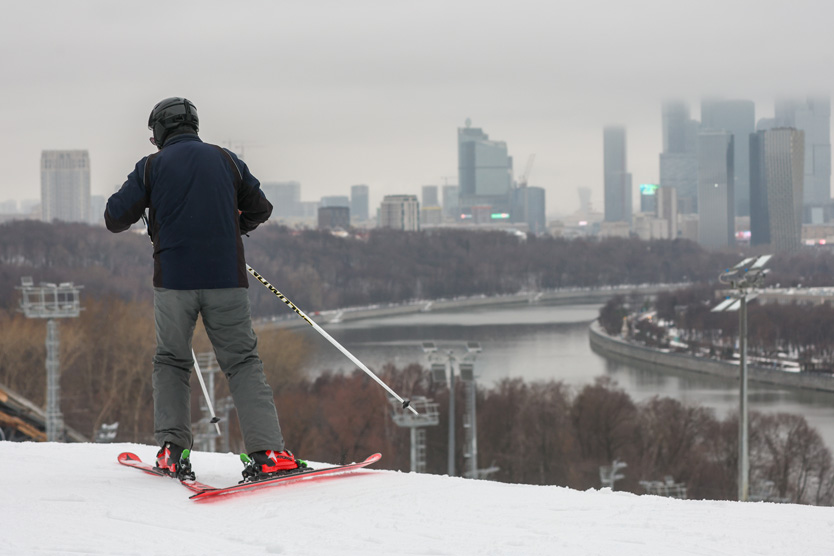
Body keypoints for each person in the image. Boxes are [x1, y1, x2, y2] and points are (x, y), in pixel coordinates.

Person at [105, 97, 300, 481]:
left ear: (160, 131)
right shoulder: (226, 160)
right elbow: (260, 207)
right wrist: (230, 232)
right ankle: (269, 454)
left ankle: (172, 454)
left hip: (174, 282)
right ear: (193, 124)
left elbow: (114, 218)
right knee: (243, 362)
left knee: (172, 362)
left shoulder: (151, 167)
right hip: (226, 279)